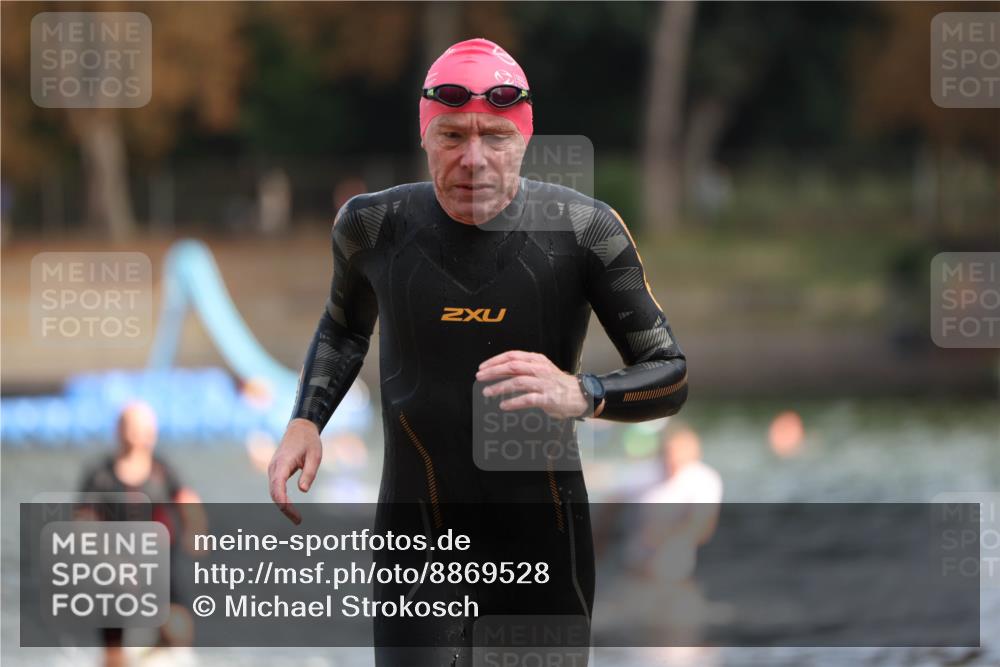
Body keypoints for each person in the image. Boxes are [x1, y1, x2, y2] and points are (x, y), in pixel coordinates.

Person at [268, 38, 688, 666]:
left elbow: (669, 374)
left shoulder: (583, 230)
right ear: (424, 138)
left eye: (495, 137)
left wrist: (582, 394)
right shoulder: (372, 227)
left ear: (524, 138)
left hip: (542, 539)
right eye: (452, 137)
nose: (473, 159)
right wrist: (306, 418)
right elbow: (344, 327)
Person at [78, 400, 204, 667]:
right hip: (114, 568)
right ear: (119, 431)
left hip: (163, 564)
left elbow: (187, 501)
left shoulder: (162, 470)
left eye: (146, 429)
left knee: (178, 632)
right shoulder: (100, 475)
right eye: (133, 428)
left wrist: (196, 531)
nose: (140, 436)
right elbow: (84, 524)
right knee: (114, 648)